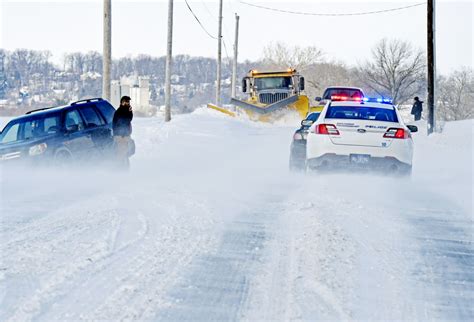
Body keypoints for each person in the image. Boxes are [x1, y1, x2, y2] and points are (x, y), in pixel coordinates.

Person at [112, 96, 133, 168]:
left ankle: (125, 167)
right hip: (120, 136)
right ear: (122, 102)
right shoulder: (119, 111)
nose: (128, 103)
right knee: (121, 153)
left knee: (125, 153)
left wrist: (130, 112)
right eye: (126, 102)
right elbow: (119, 123)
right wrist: (118, 134)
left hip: (125, 135)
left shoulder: (127, 111)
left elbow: (129, 119)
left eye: (128, 102)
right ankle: (120, 168)